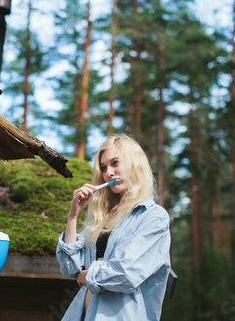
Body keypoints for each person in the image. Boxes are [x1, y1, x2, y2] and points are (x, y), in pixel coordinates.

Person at [56, 134, 171, 320]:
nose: (108, 172)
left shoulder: (153, 217)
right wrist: (73, 215)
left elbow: (126, 273)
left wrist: (88, 275)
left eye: (115, 163)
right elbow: (70, 267)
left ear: (135, 163)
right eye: (103, 167)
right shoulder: (103, 218)